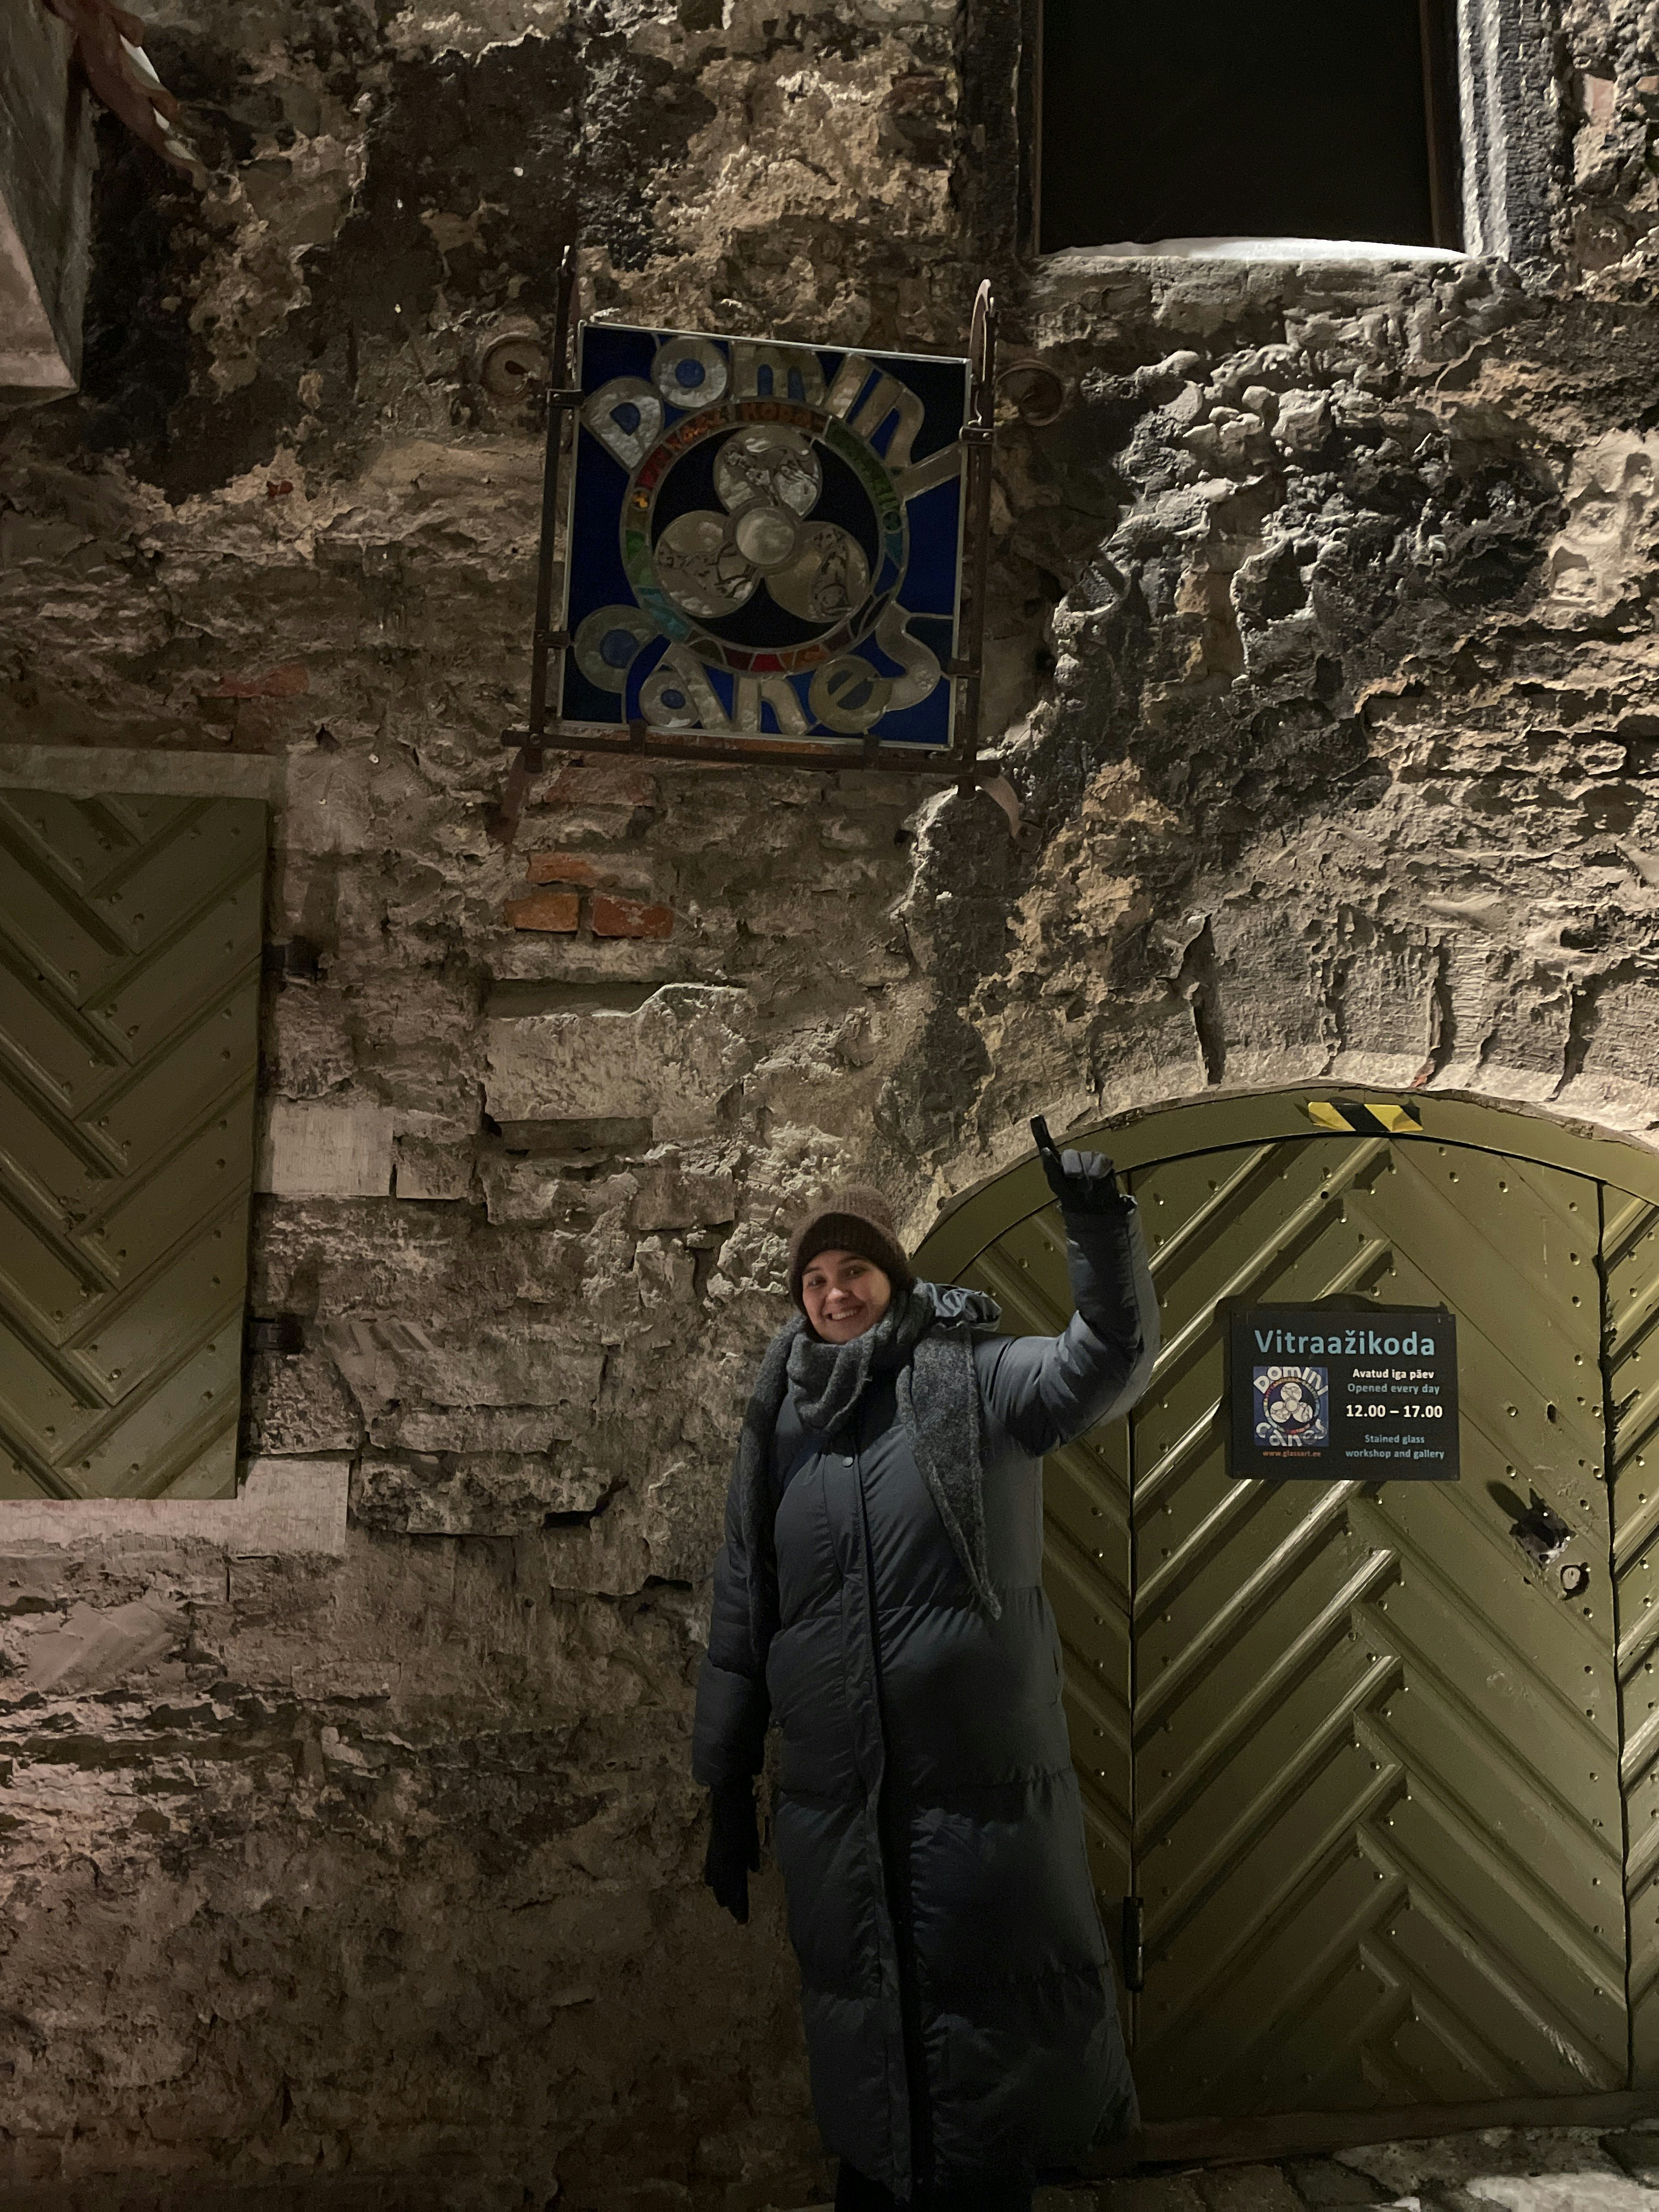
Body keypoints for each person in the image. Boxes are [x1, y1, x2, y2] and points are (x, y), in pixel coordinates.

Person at [691, 1137, 1161, 2212]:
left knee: (982, 2079)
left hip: (975, 1808)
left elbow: (1108, 1358)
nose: (832, 1292)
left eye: (852, 1270)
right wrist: (723, 1775)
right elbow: (742, 1605)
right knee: (870, 2074)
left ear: (893, 1279)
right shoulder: (783, 1431)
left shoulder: (976, 1380)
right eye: (813, 1278)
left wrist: (1099, 1226)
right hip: (839, 1814)